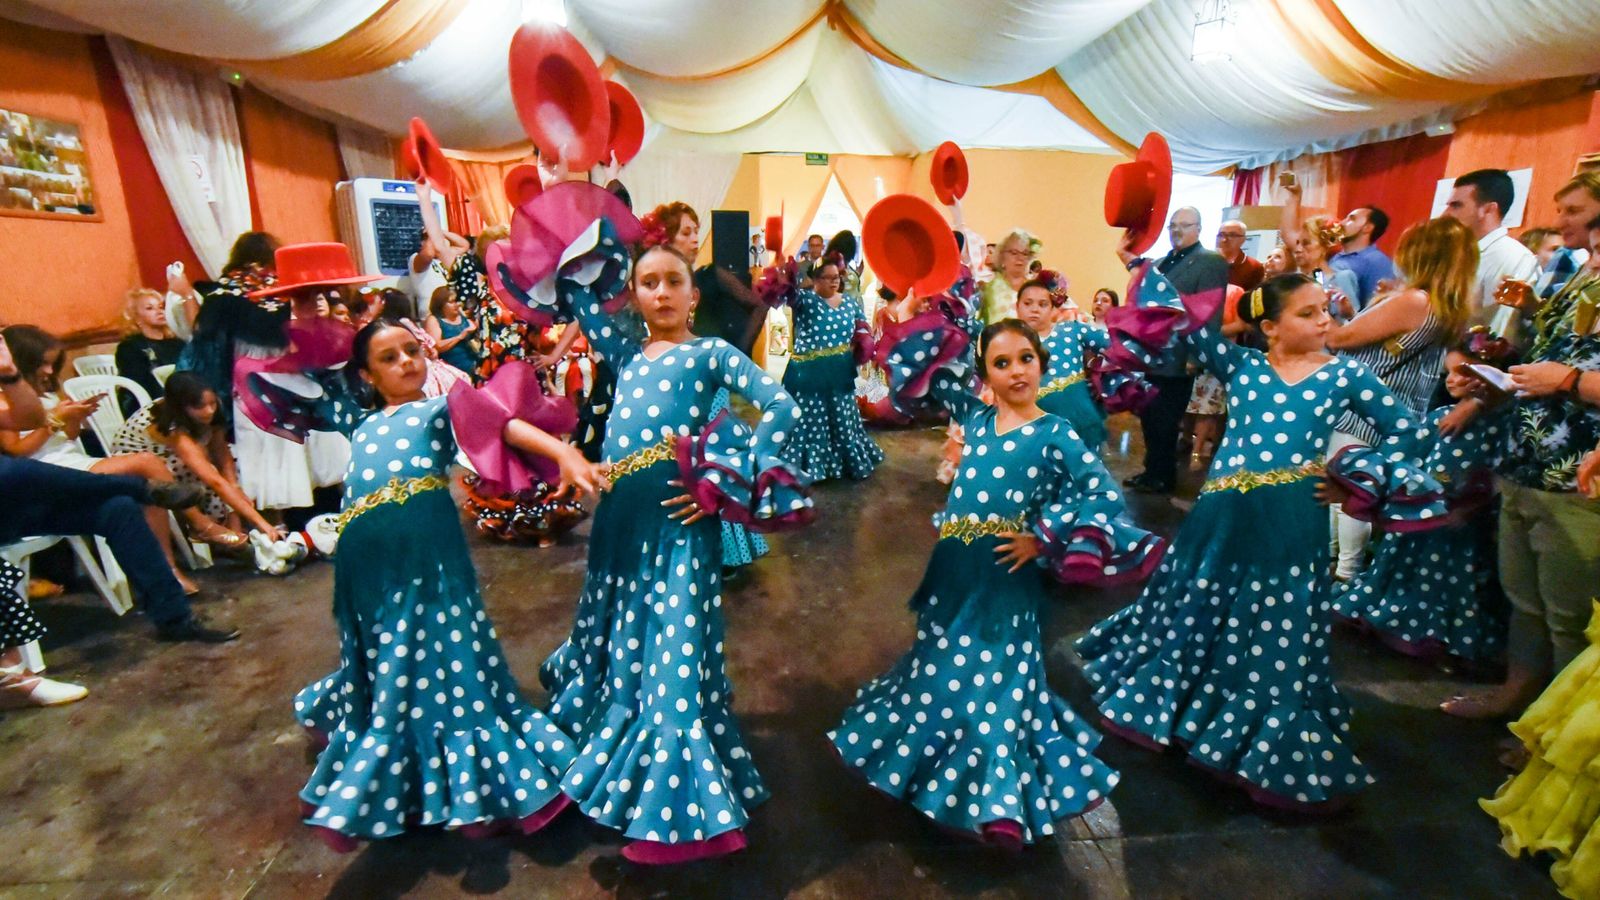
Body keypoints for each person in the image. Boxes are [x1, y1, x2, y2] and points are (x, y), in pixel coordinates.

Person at [1078, 272, 1448, 812]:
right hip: (1220, 520)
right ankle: (1187, 708)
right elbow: (1188, 324)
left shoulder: (1343, 375)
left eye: (1325, 309)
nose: (1325, 320)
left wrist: (1352, 474)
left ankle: (1255, 734)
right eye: (1307, 313)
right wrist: (1141, 261)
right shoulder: (1243, 366)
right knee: (1202, 609)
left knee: (1275, 625)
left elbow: (1410, 431)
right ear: (1270, 327)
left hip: (1289, 525)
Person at [829, 317, 1161, 850]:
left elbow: (1102, 497)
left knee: (999, 677)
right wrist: (939, 321)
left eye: (1025, 358)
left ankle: (996, 798)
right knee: (940, 663)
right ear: (985, 372)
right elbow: (929, 378)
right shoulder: (976, 420)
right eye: (1000, 362)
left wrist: (1044, 537)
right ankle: (935, 772)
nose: (1015, 371)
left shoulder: (1056, 433)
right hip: (955, 568)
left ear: (1042, 364)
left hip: (1008, 575)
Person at [543, 231, 813, 864]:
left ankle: (680, 815)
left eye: (673, 281)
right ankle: (632, 771)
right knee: (621, 639)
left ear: (693, 295)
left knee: (675, 648)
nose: (661, 292)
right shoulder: (628, 359)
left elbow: (780, 404)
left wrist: (726, 477)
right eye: (648, 283)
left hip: (679, 525)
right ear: (633, 296)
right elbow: (578, 295)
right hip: (618, 525)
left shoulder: (711, 353)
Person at [291, 319, 594, 851]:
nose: (407, 362)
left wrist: (563, 452)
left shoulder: (440, 409)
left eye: (412, 350)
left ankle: (447, 785)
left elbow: (502, 426)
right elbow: (306, 374)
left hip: (424, 547)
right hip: (364, 556)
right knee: (385, 651)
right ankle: (405, 770)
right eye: (390, 358)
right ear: (366, 374)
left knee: (441, 647)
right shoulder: (358, 423)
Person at [1439, 179, 1600, 720]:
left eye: (1576, 211)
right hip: (1526, 459)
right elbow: (1543, 356)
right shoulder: (1578, 272)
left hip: (1578, 473)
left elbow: (1565, 371)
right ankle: (1518, 697)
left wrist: (1568, 380)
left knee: (1570, 615)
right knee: (1524, 601)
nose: (1563, 222)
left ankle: (1554, 730)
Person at [0, 334, 237, 644]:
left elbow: (29, 418)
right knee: (8, 470)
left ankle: (174, 619)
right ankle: (140, 487)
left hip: (22, 505)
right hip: (12, 498)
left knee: (118, 509)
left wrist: (8, 373)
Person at [1332, 343, 1508, 665]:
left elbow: (1496, 473)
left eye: (1462, 372)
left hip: (1461, 519)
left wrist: (1469, 508)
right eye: (1448, 373)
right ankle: (1397, 617)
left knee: (1446, 576)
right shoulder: (1441, 416)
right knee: (1405, 566)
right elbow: (1415, 453)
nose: (1451, 380)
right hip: (1424, 511)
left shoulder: (1498, 426)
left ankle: (1433, 632)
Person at [1324, 217, 1475, 582]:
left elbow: (1341, 340)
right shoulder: (1442, 304)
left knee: (1350, 496)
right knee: (1351, 492)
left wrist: (1316, 308)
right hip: (1395, 410)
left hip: (1364, 412)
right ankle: (1338, 566)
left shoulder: (1415, 300)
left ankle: (1344, 573)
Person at [177, 232, 352, 517]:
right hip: (301, 376)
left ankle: (292, 530)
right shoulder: (291, 285)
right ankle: (330, 522)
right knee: (317, 452)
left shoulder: (222, 296)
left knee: (279, 458)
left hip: (255, 384)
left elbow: (205, 346)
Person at [644, 201, 771, 570]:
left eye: (696, 231)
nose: (695, 239)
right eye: (686, 232)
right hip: (671, 381)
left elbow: (758, 306)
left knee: (711, 455)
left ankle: (723, 553)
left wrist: (739, 352)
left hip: (707, 380)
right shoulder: (657, 284)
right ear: (666, 237)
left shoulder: (711, 276)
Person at [1116, 207, 1229, 494]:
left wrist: (1197, 355)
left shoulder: (1210, 261)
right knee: (1150, 418)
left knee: (1166, 421)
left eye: (1184, 225)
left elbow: (1210, 310)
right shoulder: (1163, 262)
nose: (1177, 230)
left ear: (1199, 228)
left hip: (1181, 355)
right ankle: (1151, 471)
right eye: (1172, 225)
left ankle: (1164, 477)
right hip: (1152, 354)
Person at [112, 371, 283, 551]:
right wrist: (262, 524)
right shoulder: (171, 426)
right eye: (200, 406)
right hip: (139, 463)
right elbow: (212, 479)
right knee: (196, 471)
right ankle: (201, 525)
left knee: (232, 466)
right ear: (182, 407)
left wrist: (235, 488)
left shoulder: (213, 411)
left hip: (180, 456)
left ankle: (235, 528)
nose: (209, 410)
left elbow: (221, 452)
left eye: (212, 403)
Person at [776, 259, 883, 481]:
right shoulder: (804, 300)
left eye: (837, 277)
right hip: (808, 375)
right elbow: (785, 292)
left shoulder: (850, 302)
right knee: (811, 418)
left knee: (842, 416)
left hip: (839, 372)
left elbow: (861, 326)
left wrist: (863, 346)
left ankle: (843, 462)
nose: (835, 282)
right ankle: (812, 465)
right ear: (815, 280)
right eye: (829, 278)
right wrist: (782, 267)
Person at [1014, 277, 1119, 449]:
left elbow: (1115, 346)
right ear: (1017, 307)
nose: (1035, 309)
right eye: (1028, 303)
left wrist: (1103, 381)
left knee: (1087, 471)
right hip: (1037, 431)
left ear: (1054, 309)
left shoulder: (1072, 329)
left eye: (1042, 304)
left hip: (1082, 422)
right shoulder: (1009, 344)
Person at [1443, 168, 1542, 310]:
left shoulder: (1514, 258)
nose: (1445, 214)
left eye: (1456, 205)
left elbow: (1500, 328)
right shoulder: (1456, 252)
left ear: (1489, 209)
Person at [114, 288, 184, 402]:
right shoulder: (129, 347)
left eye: (161, 307)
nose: (159, 311)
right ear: (136, 317)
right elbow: (138, 384)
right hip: (148, 404)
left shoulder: (177, 343)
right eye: (150, 308)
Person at [1291, 216, 1360, 321]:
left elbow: (1355, 324)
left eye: (1306, 243)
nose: (1298, 249)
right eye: (1297, 243)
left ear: (1324, 247)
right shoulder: (1294, 283)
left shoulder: (1342, 278)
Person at [1329, 204, 1397, 307]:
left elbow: (1377, 306)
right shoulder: (1335, 255)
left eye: (1351, 219)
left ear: (1367, 228)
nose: (1342, 223)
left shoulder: (1376, 261)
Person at [977, 229, 1038, 325]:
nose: (1020, 258)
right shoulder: (987, 288)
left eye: (1025, 253)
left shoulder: (1037, 288)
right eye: (1014, 252)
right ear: (1002, 256)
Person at [423, 285, 479, 375]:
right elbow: (437, 345)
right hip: (453, 371)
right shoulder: (434, 320)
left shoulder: (462, 317)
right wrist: (460, 336)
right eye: (452, 302)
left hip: (474, 365)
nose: (456, 305)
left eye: (457, 301)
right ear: (441, 304)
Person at [405, 226, 453, 320]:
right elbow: (428, 254)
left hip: (449, 314)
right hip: (431, 316)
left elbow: (463, 245)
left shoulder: (442, 261)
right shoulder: (414, 259)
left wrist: (442, 232)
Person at [1216, 219, 1265, 292]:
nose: (1224, 240)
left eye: (1232, 235)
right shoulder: (1206, 262)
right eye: (1221, 235)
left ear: (1243, 239)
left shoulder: (1253, 267)